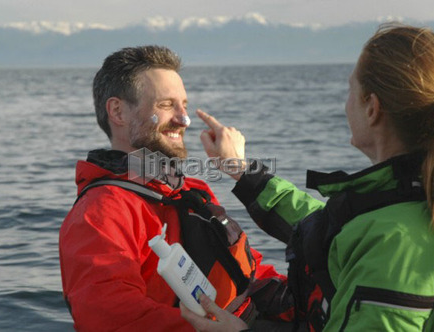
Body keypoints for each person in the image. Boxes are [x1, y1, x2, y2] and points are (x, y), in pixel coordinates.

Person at [181, 23, 434, 331]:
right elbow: (328, 229)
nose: (346, 103)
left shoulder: (398, 243)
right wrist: (241, 171)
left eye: (351, 91)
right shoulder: (409, 195)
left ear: (373, 108)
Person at [59, 45, 295, 331]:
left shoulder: (190, 191)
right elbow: (111, 317)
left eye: (183, 104)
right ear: (118, 112)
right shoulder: (101, 212)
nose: (184, 119)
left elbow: (245, 271)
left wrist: (299, 299)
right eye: (167, 105)